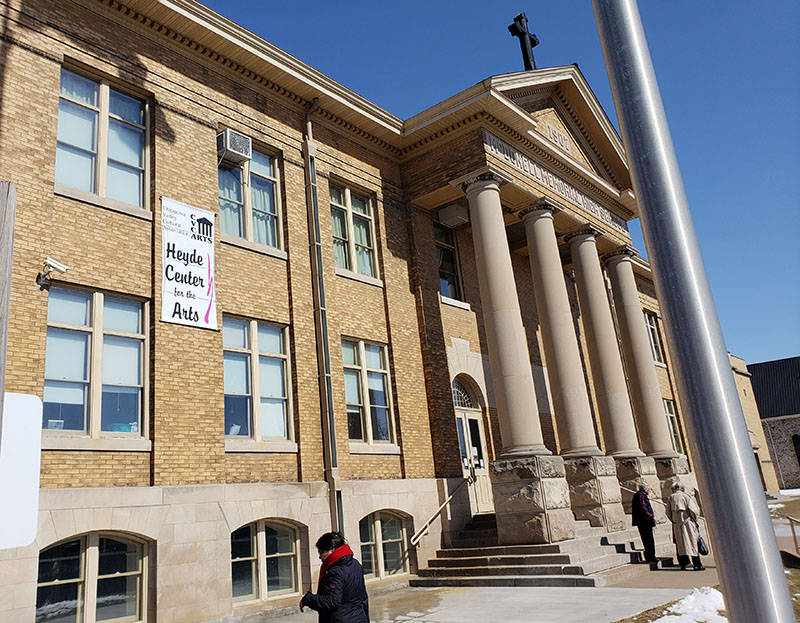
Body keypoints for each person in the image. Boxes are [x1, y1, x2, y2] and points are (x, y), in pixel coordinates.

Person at [299, 531, 369, 622]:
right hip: (359, 618)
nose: (320, 557)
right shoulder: (355, 564)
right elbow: (363, 598)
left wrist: (308, 599)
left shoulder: (335, 572)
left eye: (321, 553)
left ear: (331, 550)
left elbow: (331, 601)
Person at [666, 481, 705, 571]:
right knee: (692, 543)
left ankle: (683, 564)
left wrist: (673, 520)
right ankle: (697, 564)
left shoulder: (670, 498)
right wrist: (694, 519)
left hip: (677, 524)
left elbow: (668, 512)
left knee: (680, 545)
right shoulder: (686, 496)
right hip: (688, 523)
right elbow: (694, 510)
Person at [631, 482, 658, 565]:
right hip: (644, 521)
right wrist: (651, 517)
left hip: (642, 521)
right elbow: (644, 508)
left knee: (647, 540)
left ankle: (651, 556)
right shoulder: (641, 496)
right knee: (648, 540)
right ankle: (651, 557)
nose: (649, 490)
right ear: (645, 489)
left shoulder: (639, 495)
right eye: (648, 489)